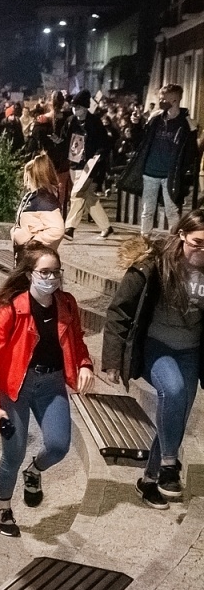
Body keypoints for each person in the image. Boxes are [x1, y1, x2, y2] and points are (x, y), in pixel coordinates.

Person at [0, 244, 93, 536]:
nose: (51, 278)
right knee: (12, 454)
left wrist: (85, 364)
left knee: (58, 445)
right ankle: (3, 509)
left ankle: (35, 470)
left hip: (52, 383)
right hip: (15, 387)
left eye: (55, 272)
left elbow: (77, 342)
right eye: (44, 272)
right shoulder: (12, 309)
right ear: (30, 274)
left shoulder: (66, 304)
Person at [102, 211, 204, 508]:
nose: (202, 250)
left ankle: (149, 480)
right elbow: (119, 311)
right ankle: (170, 466)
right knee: (172, 391)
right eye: (198, 242)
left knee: (177, 415)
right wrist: (112, 358)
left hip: (191, 350)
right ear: (182, 234)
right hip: (155, 346)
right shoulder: (154, 263)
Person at [119, 83, 198, 236]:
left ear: (174, 101)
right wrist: (135, 125)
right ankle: (145, 239)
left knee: (172, 211)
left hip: (170, 175)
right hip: (150, 172)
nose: (161, 101)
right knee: (147, 209)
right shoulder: (156, 119)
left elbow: (191, 153)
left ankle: (175, 241)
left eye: (164, 99)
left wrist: (180, 172)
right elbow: (140, 141)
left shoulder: (186, 124)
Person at [64, 90, 113, 239]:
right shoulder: (71, 121)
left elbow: (104, 143)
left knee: (77, 194)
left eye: (77, 107)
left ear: (85, 108)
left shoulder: (95, 123)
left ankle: (70, 228)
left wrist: (97, 157)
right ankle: (106, 227)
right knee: (88, 197)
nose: (75, 109)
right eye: (73, 107)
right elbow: (65, 139)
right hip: (74, 164)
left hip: (89, 165)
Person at [12, 153, 65, 250]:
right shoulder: (37, 197)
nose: (26, 184)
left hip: (37, 257)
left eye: (28, 179)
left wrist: (32, 242)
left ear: (35, 178)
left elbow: (57, 230)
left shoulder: (44, 200)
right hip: (30, 255)